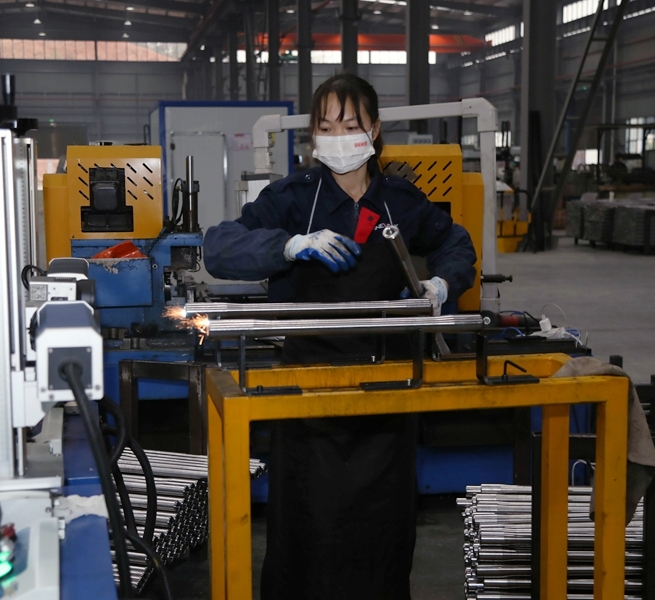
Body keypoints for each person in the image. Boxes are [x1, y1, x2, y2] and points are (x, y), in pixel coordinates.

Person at [203, 73, 478, 600]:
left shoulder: (400, 201)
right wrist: (289, 246)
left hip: (388, 392)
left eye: (350, 125)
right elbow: (219, 247)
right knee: (306, 530)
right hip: (308, 393)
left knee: (382, 535)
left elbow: (455, 242)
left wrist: (443, 283)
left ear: (373, 130)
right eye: (325, 127)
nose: (337, 137)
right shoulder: (292, 199)